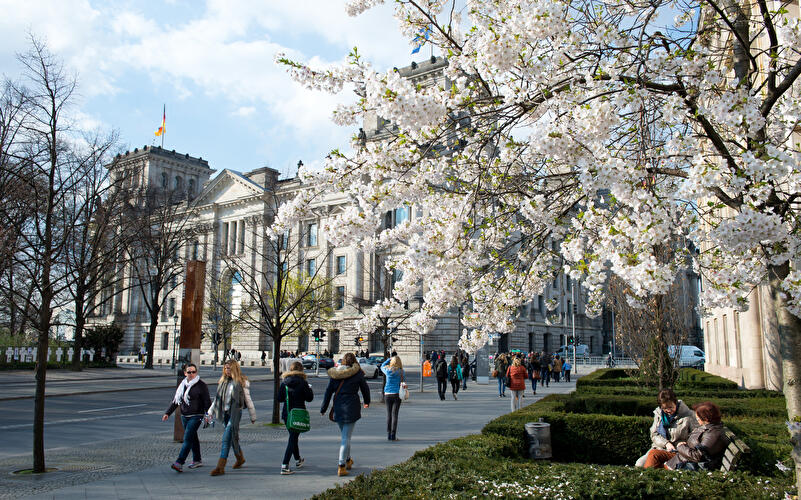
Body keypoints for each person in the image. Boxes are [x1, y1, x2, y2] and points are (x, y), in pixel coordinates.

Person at [320, 352, 371, 477]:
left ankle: (348, 460)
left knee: (345, 435)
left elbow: (328, 392)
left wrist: (323, 408)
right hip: (352, 406)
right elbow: (365, 389)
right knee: (346, 438)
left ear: (342, 361)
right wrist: (367, 402)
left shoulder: (335, 374)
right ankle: (341, 465)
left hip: (338, 407)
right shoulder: (358, 374)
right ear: (354, 361)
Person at [205, 360, 257, 476]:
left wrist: (252, 416)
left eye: (229, 368)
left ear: (234, 369)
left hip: (235, 414)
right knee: (233, 438)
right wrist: (209, 412)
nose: (227, 371)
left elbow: (248, 400)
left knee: (226, 439)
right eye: (225, 368)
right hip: (224, 414)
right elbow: (217, 399)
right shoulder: (223, 382)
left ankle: (220, 467)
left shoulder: (241, 382)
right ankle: (240, 459)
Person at [644, 402, 727, 470]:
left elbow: (697, 456)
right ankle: (646, 479)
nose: (697, 420)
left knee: (655, 459)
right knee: (654, 454)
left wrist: (681, 446)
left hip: (685, 462)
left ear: (706, 418)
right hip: (682, 457)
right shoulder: (708, 427)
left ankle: (646, 480)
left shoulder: (713, 434)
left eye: (698, 419)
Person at [163, 363, 211, 472]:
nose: (191, 374)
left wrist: (208, 415)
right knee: (193, 437)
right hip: (185, 416)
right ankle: (197, 460)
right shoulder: (183, 385)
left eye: (194, 372)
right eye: (189, 372)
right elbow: (176, 400)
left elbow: (207, 401)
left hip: (196, 415)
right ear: (185, 373)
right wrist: (168, 413)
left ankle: (179, 462)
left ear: (196, 373)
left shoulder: (201, 385)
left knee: (188, 438)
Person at [636, 389, 698, 467]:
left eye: (671, 407)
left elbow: (696, 435)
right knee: (639, 464)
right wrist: (666, 443)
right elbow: (654, 434)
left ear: (675, 403)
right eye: (665, 408)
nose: (668, 410)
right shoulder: (658, 414)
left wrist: (683, 444)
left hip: (678, 451)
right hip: (660, 447)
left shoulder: (689, 415)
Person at [278, 360, 314, 475]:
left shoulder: (284, 382)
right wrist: (309, 388)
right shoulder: (303, 382)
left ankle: (298, 460)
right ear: (301, 370)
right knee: (293, 438)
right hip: (298, 413)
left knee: (293, 437)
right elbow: (309, 398)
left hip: (286, 413)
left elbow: (279, 398)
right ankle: (285, 465)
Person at [381, 354, 405, 440]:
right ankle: (393, 435)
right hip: (397, 394)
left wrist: (388, 360)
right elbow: (403, 381)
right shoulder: (401, 371)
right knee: (395, 415)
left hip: (387, 394)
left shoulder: (387, 371)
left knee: (389, 414)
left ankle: (388, 434)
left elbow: (382, 366)